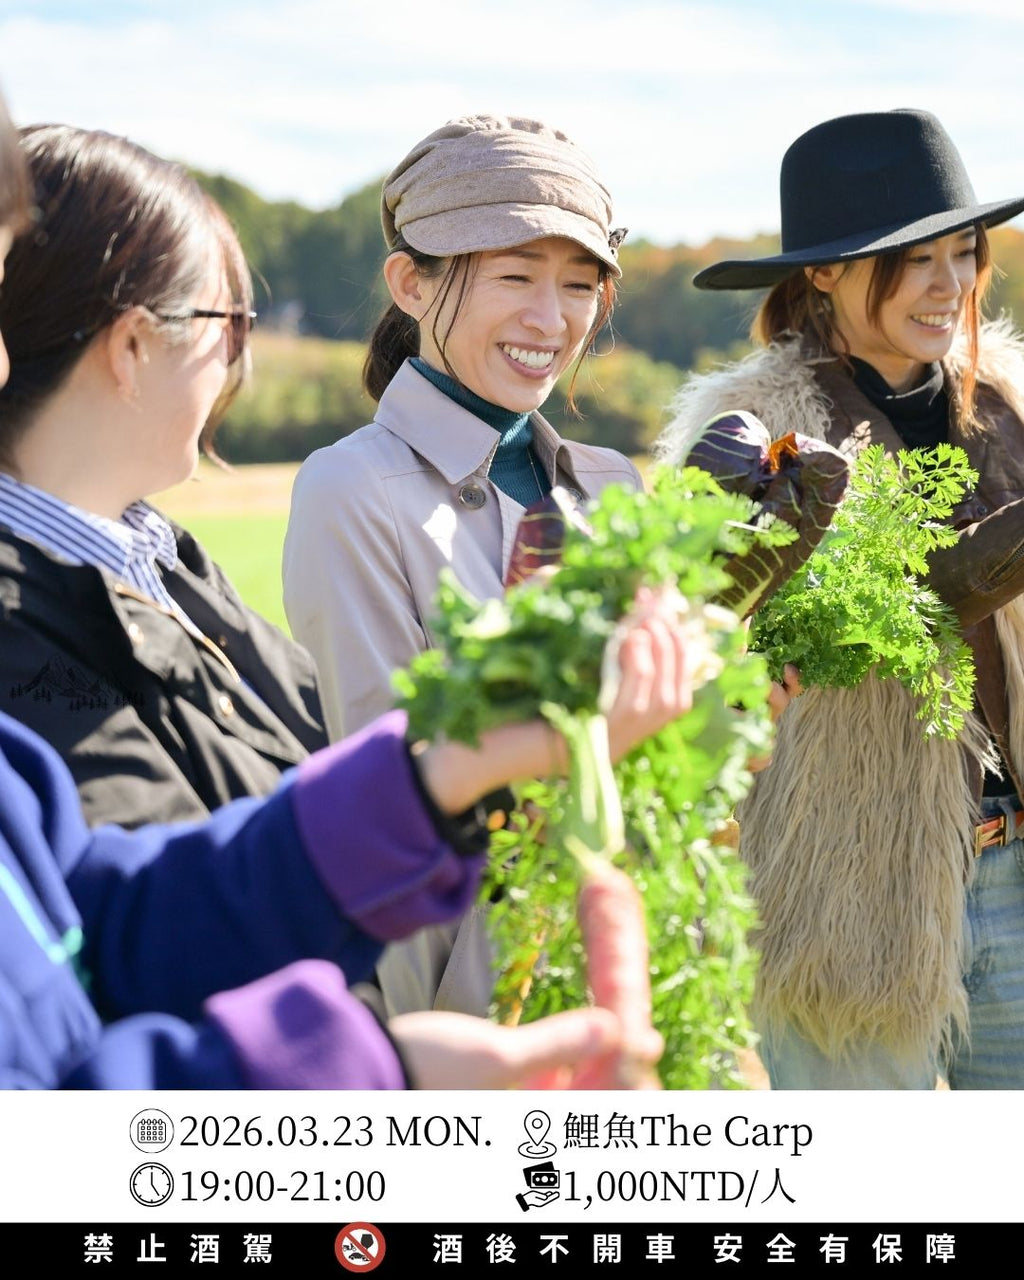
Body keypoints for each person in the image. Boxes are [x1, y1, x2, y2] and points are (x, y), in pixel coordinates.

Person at [0, 94, 684, 1089]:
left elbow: (123, 905)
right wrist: (381, 1066)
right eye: (229, 320)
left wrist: (440, 772)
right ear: (132, 344)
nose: (244, 355)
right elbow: (120, 987)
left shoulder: (165, 560)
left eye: (580, 282)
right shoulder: (338, 492)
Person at [657, 108, 1024, 1090]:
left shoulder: (1013, 405)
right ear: (822, 271)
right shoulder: (746, 427)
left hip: (1018, 873)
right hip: (844, 887)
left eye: (962, 252)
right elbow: (695, 636)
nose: (947, 285)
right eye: (912, 258)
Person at [283, 114, 641, 1017]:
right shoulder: (353, 491)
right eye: (515, 277)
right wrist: (434, 1059)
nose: (550, 320)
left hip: (635, 978)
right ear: (410, 282)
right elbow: (389, 808)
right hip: (486, 1007)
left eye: (578, 285)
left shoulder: (614, 487)